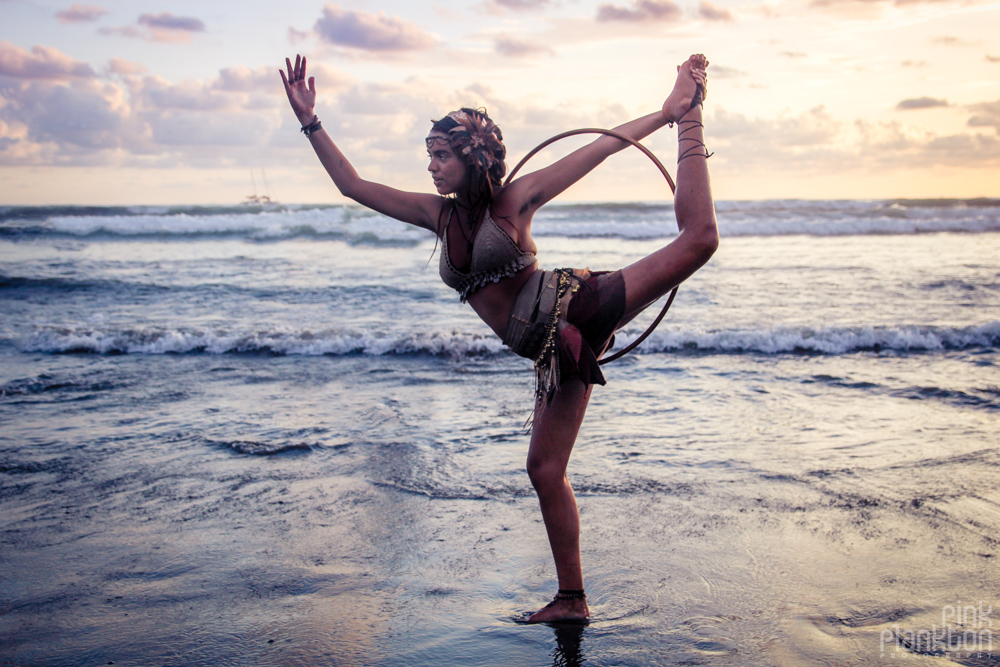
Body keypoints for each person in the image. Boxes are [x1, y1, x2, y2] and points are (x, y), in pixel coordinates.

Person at [281, 53, 718, 624]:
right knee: (543, 470)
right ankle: (571, 601)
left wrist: (666, 114)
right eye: (429, 156)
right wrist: (311, 122)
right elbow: (351, 185)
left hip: (573, 310)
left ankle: (691, 119)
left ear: (471, 157)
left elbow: (600, 148)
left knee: (699, 240)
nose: (432, 167)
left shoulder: (515, 200)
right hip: (550, 350)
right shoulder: (437, 216)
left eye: (442, 155)